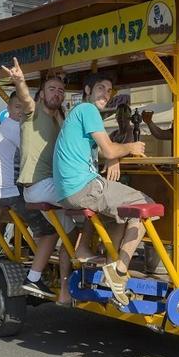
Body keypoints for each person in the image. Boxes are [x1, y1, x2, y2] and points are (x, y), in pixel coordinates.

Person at [53, 73, 152, 306]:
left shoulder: (77, 113)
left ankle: (110, 269)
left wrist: (112, 157)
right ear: (87, 90)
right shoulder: (88, 111)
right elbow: (109, 149)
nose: (105, 94)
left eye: (109, 91)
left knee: (118, 216)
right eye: (100, 88)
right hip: (83, 186)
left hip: (68, 189)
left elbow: (104, 150)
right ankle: (120, 269)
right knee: (146, 205)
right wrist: (130, 147)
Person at [6, 59, 89, 300]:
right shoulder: (32, 113)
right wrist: (20, 81)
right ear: (41, 94)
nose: (57, 93)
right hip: (40, 186)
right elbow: (25, 98)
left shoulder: (58, 120)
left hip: (52, 187)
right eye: (51, 89)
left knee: (69, 234)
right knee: (95, 203)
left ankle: (40, 281)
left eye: (61, 91)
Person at [0, 90, 60, 268]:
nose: (20, 111)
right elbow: (37, 150)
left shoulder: (6, 126)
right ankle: (41, 260)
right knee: (48, 228)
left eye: (23, 107)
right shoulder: (14, 127)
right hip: (8, 191)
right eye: (17, 107)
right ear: (8, 107)